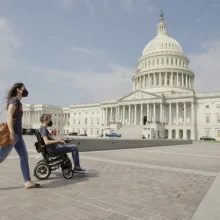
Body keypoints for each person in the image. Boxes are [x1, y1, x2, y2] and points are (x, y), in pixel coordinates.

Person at [0, 82, 41, 189]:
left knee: (24, 157)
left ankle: (27, 181)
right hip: (13, 134)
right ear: (18, 90)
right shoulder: (14, 101)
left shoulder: (18, 102)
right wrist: (12, 133)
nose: (25, 90)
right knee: (1, 157)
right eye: (24, 88)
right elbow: (9, 116)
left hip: (19, 136)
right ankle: (27, 181)